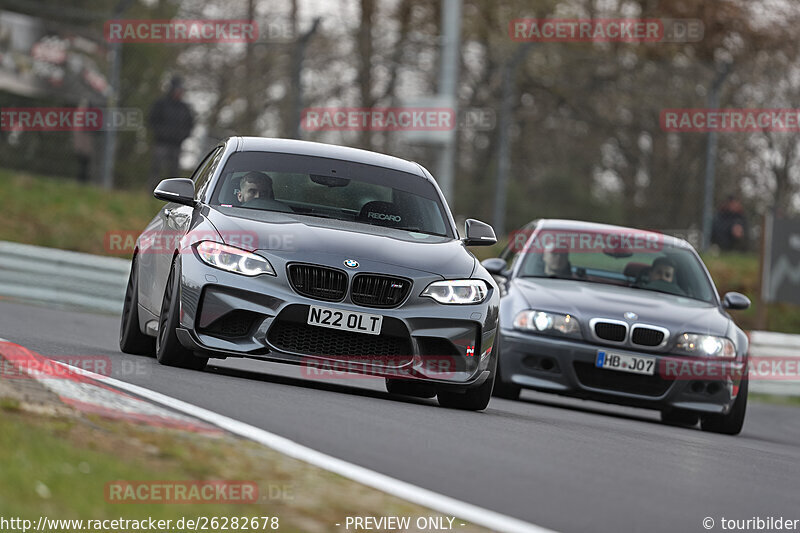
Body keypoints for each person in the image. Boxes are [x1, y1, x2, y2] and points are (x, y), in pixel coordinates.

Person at [148, 76, 194, 191]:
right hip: (161, 143)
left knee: (174, 171)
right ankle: (152, 191)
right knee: (156, 168)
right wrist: (161, 133)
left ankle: (172, 193)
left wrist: (182, 136)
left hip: (176, 144)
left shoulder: (184, 108)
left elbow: (190, 125)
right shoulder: (160, 104)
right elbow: (152, 121)